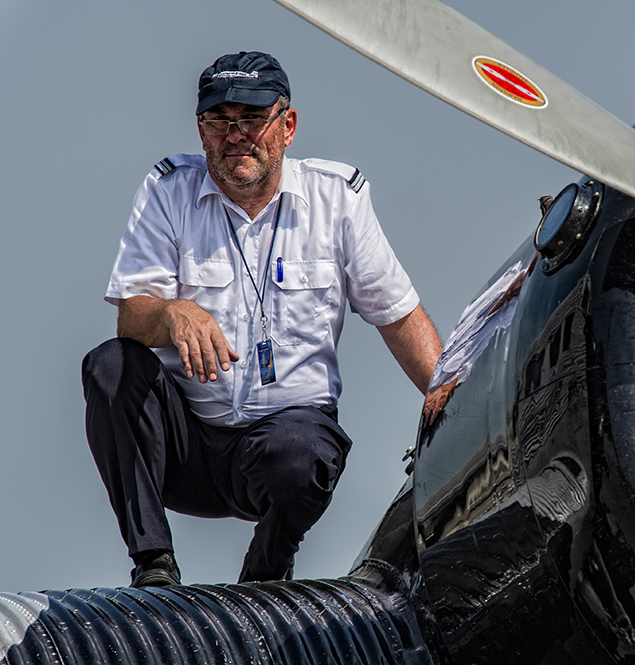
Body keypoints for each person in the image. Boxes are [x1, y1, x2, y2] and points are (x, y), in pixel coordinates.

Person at [82, 51, 442, 587]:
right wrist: (174, 314)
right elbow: (133, 320)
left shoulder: (337, 199)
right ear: (200, 130)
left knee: (302, 453)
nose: (236, 136)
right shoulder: (165, 191)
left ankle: (267, 573)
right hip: (189, 448)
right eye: (220, 121)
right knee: (109, 367)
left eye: (252, 119)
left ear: (287, 126)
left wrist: (448, 394)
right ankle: (153, 568)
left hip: (281, 450)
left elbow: (395, 315)